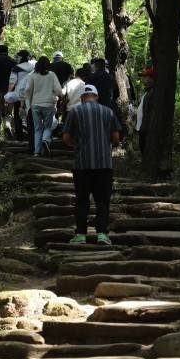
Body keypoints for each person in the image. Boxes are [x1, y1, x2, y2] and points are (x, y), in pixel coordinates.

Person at [62, 83, 121, 246]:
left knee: (82, 200)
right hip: (104, 164)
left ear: (82, 98)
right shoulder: (108, 112)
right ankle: (102, 234)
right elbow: (116, 139)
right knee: (103, 200)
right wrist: (105, 144)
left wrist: (77, 146)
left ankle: (81, 235)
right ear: (97, 97)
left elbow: (66, 138)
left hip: (81, 164)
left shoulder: (74, 112)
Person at [25, 55, 63, 156]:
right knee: (47, 127)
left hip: (35, 104)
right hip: (48, 104)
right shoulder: (52, 75)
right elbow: (58, 90)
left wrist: (28, 101)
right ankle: (45, 140)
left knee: (37, 129)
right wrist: (61, 95)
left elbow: (28, 90)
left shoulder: (32, 75)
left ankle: (37, 152)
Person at [11, 49, 36, 139]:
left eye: (18, 56)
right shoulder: (33, 68)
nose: (17, 58)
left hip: (18, 93)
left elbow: (12, 81)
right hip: (31, 93)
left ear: (20, 57)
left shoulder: (16, 68)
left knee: (17, 114)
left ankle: (19, 134)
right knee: (30, 113)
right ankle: (31, 134)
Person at [136, 67, 155, 154]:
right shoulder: (148, 92)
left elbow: (150, 114)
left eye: (145, 77)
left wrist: (145, 130)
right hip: (143, 129)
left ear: (151, 78)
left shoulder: (152, 93)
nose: (143, 79)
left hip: (146, 130)